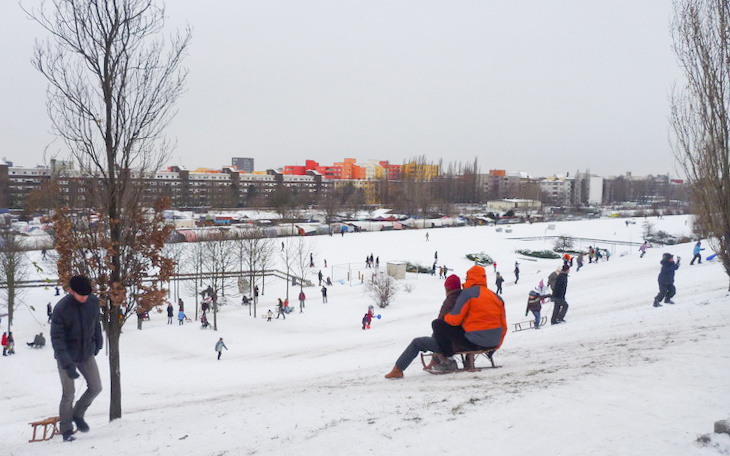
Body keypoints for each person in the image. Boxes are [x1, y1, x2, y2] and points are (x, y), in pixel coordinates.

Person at [51, 275, 103, 442]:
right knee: (69, 394)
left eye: (87, 295)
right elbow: (57, 339)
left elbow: (96, 323)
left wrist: (98, 343)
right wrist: (67, 364)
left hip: (86, 353)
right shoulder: (62, 309)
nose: (84, 298)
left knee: (96, 387)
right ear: (71, 291)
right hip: (66, 356)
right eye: (81, 295)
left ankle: (77, 414)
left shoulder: (92, 302)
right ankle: (66, 429)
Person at [430, 265, 507, 374]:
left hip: (474, 342)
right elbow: (504, 326)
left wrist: (446, 317)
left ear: (470, 278)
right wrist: (496, 344)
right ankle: (468, 359)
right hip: (494, 342)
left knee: (437, 324)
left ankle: (449, 361)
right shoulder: (496, 297)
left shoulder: (467, 294)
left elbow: (455, 320)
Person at [385, 274, 463, 379]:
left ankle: (398, 369)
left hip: (452, 343)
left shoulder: (450, 302)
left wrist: (433, 343)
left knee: (417, 343)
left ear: (447, 288)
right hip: (461, 339)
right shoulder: (464, 299)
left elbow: (441, 326)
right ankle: (435, 361)